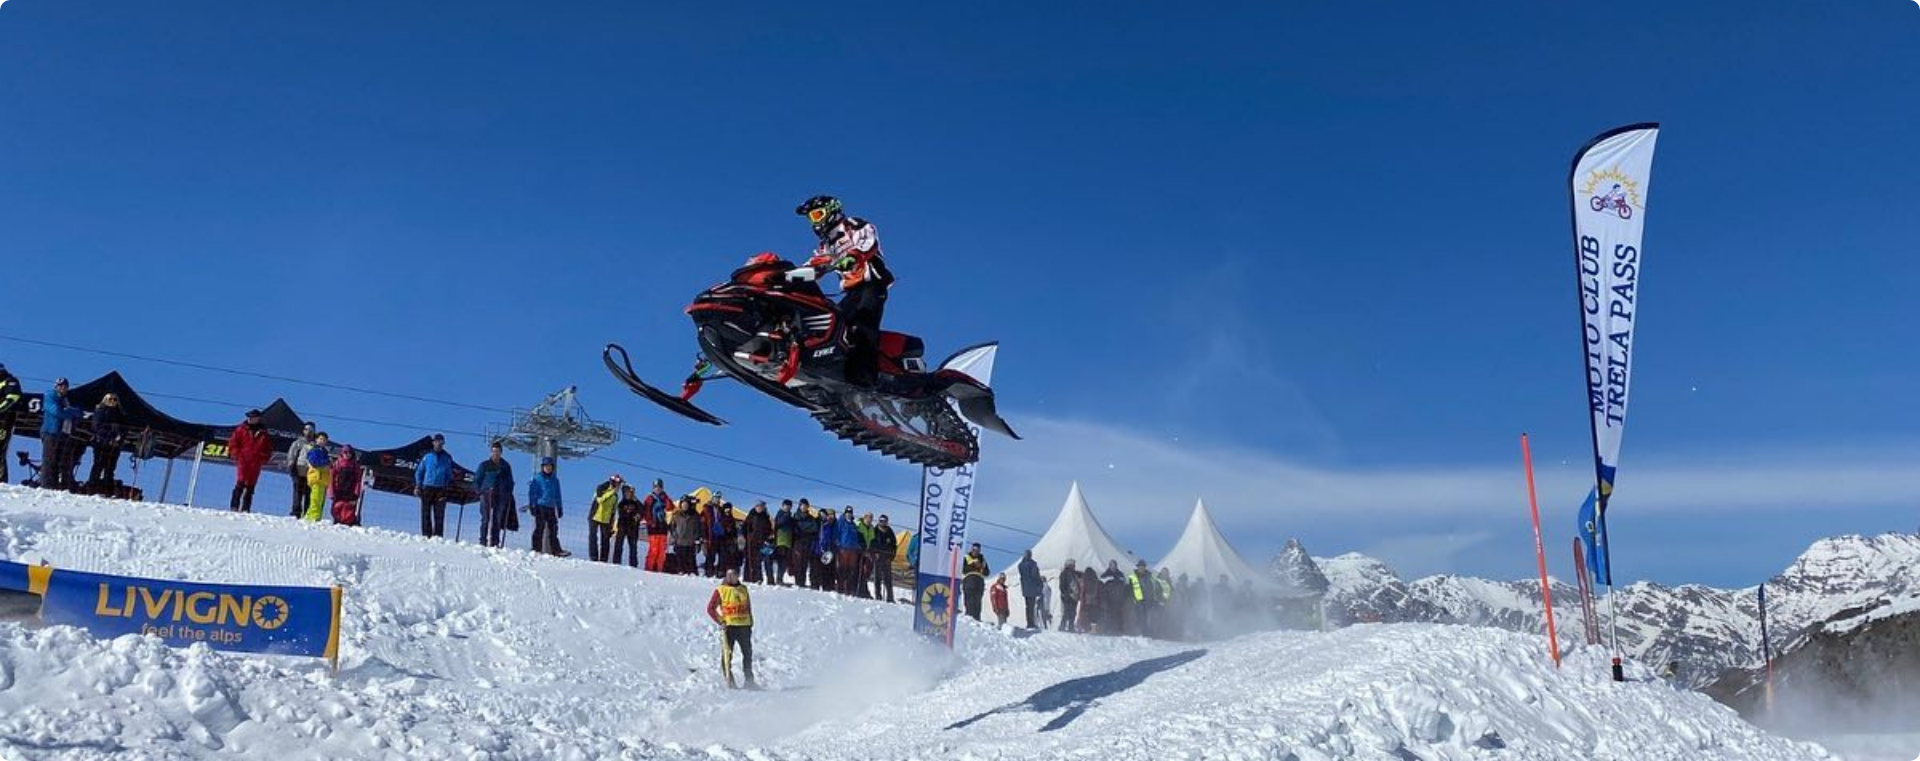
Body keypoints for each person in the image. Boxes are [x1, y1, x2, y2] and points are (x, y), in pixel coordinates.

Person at [795, 195, 894, 387]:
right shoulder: (826, 245)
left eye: (817, 215)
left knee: (862, 326)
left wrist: (854, 255)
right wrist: (790, 275)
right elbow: (817, 263)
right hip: (851, 292)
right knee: (834, 326)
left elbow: (868, 241)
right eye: (811, 218)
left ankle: (865, 379)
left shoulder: (854, 225)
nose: (815, 222)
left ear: (832, 211)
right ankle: (832, 370)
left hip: (872, 284)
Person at [706, 569, 756, 690]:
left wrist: (750, 622)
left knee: (747, 654)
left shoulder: (743, 589)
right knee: (727, 656)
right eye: (728, 575)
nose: (730, 577)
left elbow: (748, 606)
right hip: (729, 627)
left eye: (733, 575)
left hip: (744, 626)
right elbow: (710, 608)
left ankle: (749, 682)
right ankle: (731, 683)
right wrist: (720, 620)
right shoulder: (721, 590)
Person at [37, 378, 82, 491]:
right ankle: (46, 485)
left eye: (64, 386)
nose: (62, 388)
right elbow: (57, 412)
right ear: (56, 386)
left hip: (63, 433)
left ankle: (55, 484)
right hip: (50, 431)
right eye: (60, 385)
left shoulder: (66, 399)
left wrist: (71, 412)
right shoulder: (50, 396)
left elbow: (79, 412)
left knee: (59, 460)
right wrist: (71, 412)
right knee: (49, 459)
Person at [226, 409, 273, 512]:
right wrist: (238, 455)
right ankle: (234, 506)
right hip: (243, 460)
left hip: (256, 462)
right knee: (240, 482)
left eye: (252, 417)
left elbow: (268, 449)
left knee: (251, 486)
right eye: (249, 417)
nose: (250, 419)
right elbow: (233, 443)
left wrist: (262, 458)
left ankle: (246, 508)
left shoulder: (264, 433)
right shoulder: (241, 429)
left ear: (258, 418)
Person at [473, 442, 515, 548]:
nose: (496, 453)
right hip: (486, 494)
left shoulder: (505, 466)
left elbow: (510, 481)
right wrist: (479, 491)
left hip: (500, 495)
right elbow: (477, 480)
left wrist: (508, 491)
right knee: (485, 518)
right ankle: (483, 540)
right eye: (494, 451)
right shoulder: (484, 465)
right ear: (491, 452)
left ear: (501, 452)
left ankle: (495, 542)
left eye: (498, 451)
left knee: (497, 519)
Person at [414, 434, 456, 538]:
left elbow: (449, 474)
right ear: (433, 442)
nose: (439, 444)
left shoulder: (447, 458)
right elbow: (419, 472)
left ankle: (438, 536)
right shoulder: (427, 456)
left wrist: (446, 487)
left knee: (439, 514)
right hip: (427, 487)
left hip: (441, 489)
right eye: (437, 442)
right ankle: (426, 535)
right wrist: (418, 486)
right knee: (425, 513)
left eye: (441, 443)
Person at [527, 458, 568, 557]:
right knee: (539, 528)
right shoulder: (537, 478)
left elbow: (558, 495)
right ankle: (536, 549)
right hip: (540, 506)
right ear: (543, 467)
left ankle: (556, 550)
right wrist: (532, 505)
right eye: (546, 466)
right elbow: (532, 493)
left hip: (550, 507)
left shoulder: (555, 480)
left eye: (550, 466)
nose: (548, 468)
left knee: (553, 529)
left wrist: (559, 507)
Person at [85, 393, 124, 492]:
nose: (112, 401)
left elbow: (122, 429)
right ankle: (92, 488)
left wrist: (119, 437)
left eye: (115, 399)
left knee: (110, 468)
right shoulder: (100, 410)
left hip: (114, 445)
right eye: (110, 399)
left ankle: (107, 490)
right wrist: (110, 436)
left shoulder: (119, 413)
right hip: (101, 443)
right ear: (104, 399)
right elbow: (96, 427)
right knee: (98, 465)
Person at [588, 474, 623, 563]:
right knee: (593, 536)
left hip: (606, 519)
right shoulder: (602, 487)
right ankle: (593, 557)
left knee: (605, 539)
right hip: (595, 516)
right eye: (618, 484)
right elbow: (600, 500)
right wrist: (611, 492)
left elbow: (613, 511)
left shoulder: (616, 496)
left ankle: (604, 559)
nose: (619, 486)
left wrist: (612, 524)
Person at [641, 480, 673, 572]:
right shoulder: (649, 498)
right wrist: (651, 523)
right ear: (653, 488)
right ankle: (648, 569)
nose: (657, 489)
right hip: (653, 529)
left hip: (663, 528)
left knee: (662, 552)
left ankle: (660, 569)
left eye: (659, 487)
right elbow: (646, 512)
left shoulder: (665, 498)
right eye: (656, 487)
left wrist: (666, 498)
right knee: (653, 550)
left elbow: (670, 508)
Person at [287, 422, 316, 517]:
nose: (309, 432)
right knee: (297, 492)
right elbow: (291, 455)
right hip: (298, 471)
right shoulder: (298, 443)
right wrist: (291, 467)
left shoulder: (315, 445)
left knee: (309, 494)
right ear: (303, 431)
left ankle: (307, 512)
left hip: (310, 473)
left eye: (311, 430)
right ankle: (296, 512)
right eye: (307, 429)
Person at [610, 484, 643, 568]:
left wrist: (638, 515)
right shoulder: (621, 503)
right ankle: (616, 563)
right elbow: (621, 513)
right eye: (626, 492)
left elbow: (642, 510)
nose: (627, 494)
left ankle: (633, 565)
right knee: (618, 545)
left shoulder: (636, 502)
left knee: (633, 547)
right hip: (622, 526)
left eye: (629, 492)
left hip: (633, 528)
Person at [330, 446, 363, 526]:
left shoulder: (355, 465)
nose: (348, 454)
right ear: (342, 453)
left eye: (350, 453)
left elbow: (358, 480)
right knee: (337, 506)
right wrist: (331, 492)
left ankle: (348, 522)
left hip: (351, 490)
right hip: (338, 489)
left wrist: (356, 492)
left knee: (349, 507)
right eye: (345, 452)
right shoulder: (337, 464)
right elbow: (332, 478)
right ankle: (337, 520)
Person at [835, 506, 865, 596]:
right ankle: (840, 588)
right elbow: (837, 533)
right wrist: (838, 544)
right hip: (843, 549)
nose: (849, 514)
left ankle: (848, 588)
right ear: (845, 513)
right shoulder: (841, 522)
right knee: (842, 569)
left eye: (850, 512)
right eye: (847, 512)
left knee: (851, 570)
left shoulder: (853, 524)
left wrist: (858, 546)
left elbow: (855, 537)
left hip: (853, 550)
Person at [669, 495, 703, 574]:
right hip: (679, 542)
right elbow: (672, 527)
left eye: (686, 504)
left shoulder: (695, 516)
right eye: (683, 504)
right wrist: (675, 536)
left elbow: (699, 528)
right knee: (680, 562)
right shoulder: (676, 515)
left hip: (690, 543)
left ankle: (693, 575)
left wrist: (697, 539)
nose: (684, 506)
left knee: (691, 562)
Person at [303, 432, 332, 522]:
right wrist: (326, 463)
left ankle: (311, 516)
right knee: (315, 499)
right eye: (321, 439)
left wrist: (328, 463)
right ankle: (313, 517)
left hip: (323, 479)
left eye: (324, 440)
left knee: (320, 500)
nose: (322, 441)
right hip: (316, 478)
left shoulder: (324, 452)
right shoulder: (314, 450)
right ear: (316, 439)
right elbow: (314, 462)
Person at [869, 514, 898, 603]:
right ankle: (878, 596)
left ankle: (890, 597)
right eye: (881, 520)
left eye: (884, 521)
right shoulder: (875, 530)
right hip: (878, 557)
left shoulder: (890, 531)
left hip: (887, 558)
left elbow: (894, 545)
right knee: (877, 578)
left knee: (888, 579)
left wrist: (891, 557)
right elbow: (872, 543)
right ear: (879, 521)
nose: (883, 522)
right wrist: (874, 554)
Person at [791, 499, 819, 589]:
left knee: (805, 564)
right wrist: (805, 530)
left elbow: (814, 529)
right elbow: (794, 530)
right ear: (799, 506)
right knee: (798, 564)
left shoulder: (811, 518)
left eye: (806, 506)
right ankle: (799, 583)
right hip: (798, 543)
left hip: (808, 543)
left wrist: (804, 530)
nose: (804, 507)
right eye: (802, 505)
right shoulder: (795, 517)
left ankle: (803, 583)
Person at [742, 501, 773, 584]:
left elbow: (769, 529)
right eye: (758, 506)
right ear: (755, 507)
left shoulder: (765, 517)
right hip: (751, 542)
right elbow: (744, 528)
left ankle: (758, 578)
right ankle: (747, 578)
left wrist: (767, 537)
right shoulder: (751, 515)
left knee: (758, 561)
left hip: (761, 541)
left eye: (761, 507)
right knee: (749, 560)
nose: (759, 508)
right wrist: (748, 537)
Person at [0, 364, 20, 484]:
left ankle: (1, 480)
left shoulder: (10, 381)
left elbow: (13, 397)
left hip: (5, 421)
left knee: (0, 449)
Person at [814, 509, 840, 593]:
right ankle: (817, 586)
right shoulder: (822, 524)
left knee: (831, 571)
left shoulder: (836, 524)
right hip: (821, 550)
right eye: (829, 514)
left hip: (832, 551)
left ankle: (829, 587)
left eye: (832, 514)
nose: (831, 516)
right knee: (819, 570)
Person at [961, 543, 989, 621]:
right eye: (974, 549)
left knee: (978, 602)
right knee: (970, 601)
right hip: (969, 580)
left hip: (979, 581)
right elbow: (963, 569)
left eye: (977, 550)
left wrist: (981, 568)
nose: (975, 552)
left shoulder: (983, 559)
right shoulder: (966, 557)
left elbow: (987, 572)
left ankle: (977, 619)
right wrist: (973, 565)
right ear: (971, 549)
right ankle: (969, 618)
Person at [1017, 550, 1044, 631]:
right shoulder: (1032, 564)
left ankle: (1029, 622)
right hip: (1032, 587)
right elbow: (1035, 575)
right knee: (1032, 606)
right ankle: (1031, 623)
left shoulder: (1020, 565)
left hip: (1025, 588)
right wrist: (1040, 583)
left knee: (1028, 606)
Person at [771, 500, 795, 586]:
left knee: (784, 563)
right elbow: (780, 522)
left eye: (789, 506)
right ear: (782, 506)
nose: (788, 507)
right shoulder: (780, 514)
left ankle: (780, 579)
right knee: (781, 562)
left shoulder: (790, 517)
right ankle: (778, 579)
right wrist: (787, 515)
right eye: (786, 506)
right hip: (780, 542)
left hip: (788, 542)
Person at [1077, 566, 1101, 634]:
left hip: (1085, 600)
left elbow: (1083, 591)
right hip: (1094, 601)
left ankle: (1082, 628)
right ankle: (1093, 629)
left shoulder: (1084, 581)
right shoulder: (1096, 580)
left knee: (1082, 614)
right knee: (1093, 616)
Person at [1057, 559, 1079, 632]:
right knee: (1067, 612)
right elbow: (1062, 586)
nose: (1074, 566)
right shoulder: (1064, 574)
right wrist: (1066, 593)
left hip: (1073, 596)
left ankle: (1070, 626)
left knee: (1072, 612)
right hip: (1067, 596)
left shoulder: (1073, 573)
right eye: (1073, 565)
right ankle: (1062, 626)